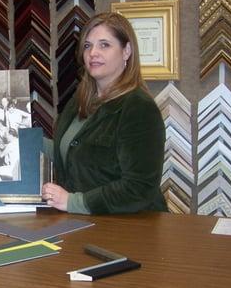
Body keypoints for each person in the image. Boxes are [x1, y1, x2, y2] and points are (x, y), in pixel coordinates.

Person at [41, 12, 167, 215]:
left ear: (126, 51)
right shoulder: (79, 101)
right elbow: (68, 153)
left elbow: (139, 187)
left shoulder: (139, 109)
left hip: (131, 227)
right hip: (84, 223)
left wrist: (74, 202)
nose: (93, 53)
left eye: (104, 45)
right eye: (88, 46)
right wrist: (18, 136)